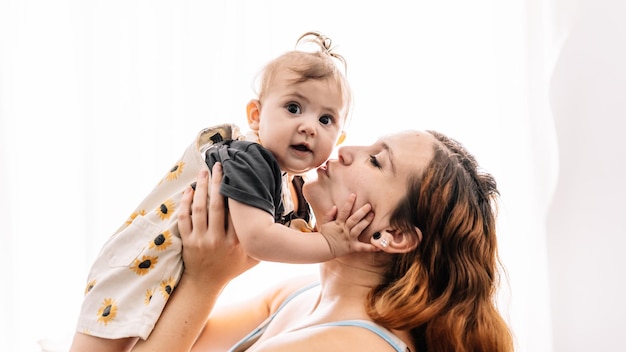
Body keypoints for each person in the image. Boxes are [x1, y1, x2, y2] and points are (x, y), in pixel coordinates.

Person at [70, 32, 376, 351]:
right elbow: (258, 239)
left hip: (170, 276)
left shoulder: (294, 183)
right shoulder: (251, 159)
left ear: (338, 138)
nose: (309, 126)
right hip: (138, 267)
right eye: (294, 108)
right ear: (256, 116)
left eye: (326, 119)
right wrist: (328, 243)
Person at [125, 129, 515, 351]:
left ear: (393, 235)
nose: (345, 151)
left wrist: (205, 279)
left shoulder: (349, 346)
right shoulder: (301, 295)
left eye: (376, 161)